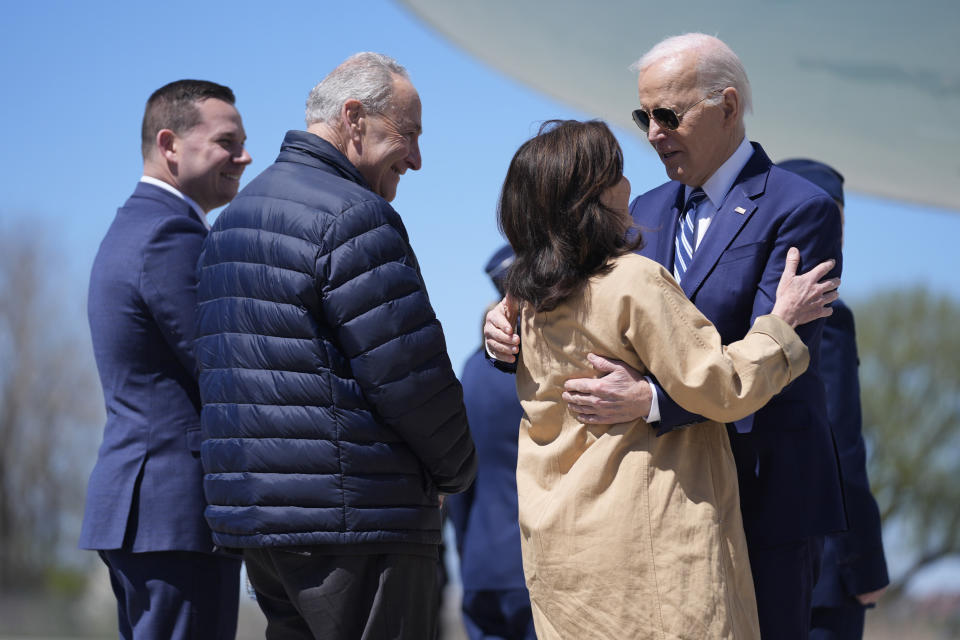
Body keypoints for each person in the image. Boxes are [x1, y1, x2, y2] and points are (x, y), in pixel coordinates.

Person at [485, 34, 847, 639]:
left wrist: (650, 399)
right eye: (643, 116)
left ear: (727, 107)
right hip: (651, 512)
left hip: (764, 492)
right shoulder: (634, 211)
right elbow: (575, 304)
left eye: (668, 114)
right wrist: (502, 326)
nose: (652, 133)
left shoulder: (801, 208)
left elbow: (765, 347)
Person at [194, 52, 477, 640]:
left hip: (264, 527)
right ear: (354, 117)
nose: (418, 160)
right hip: (358, 526)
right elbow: (410, 377)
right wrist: (457, 471)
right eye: (410, 134)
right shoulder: (355, 215)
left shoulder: (232, 222)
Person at [80, 80, 252, 639]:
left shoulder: (136, 224)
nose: (244, 156)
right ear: (170, 144)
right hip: (174, 514)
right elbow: (223, 366)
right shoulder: (169, 234)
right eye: (227, 141)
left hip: (146, 514)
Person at [777, 158, 890, 640]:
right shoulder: (831, 319)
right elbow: (841, 446)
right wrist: (862, 565)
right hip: (821, 571)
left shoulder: (740, 310)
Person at [445, 245, 536, 640]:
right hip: (539, 565)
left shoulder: (472, 370)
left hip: (482, 566)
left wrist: (467, 553)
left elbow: (461, 481)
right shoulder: (548, 368)